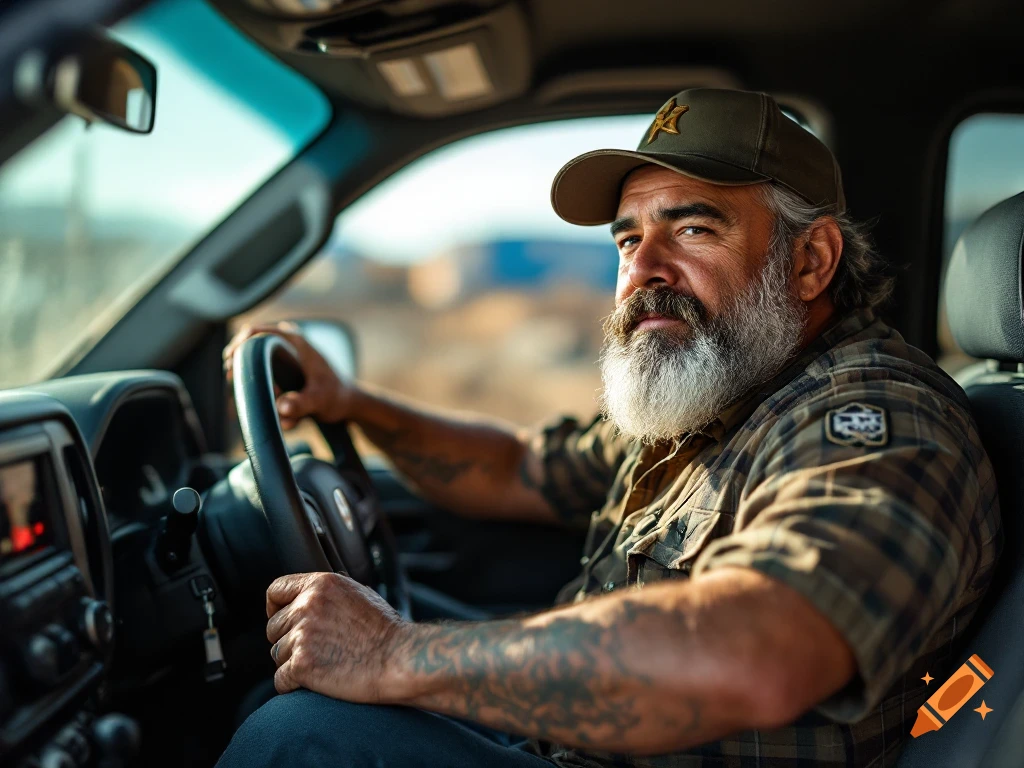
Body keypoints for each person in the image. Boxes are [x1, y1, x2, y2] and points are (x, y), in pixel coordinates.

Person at [216, 88, 1000, 768]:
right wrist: (354, 405)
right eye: (629, 238)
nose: (644, 268)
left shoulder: (877, 420)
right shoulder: (712, 390)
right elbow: (519, 468)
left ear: (810, 260)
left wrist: (393, 655)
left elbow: (760, 652)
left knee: (301, 739)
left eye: (693, 229)